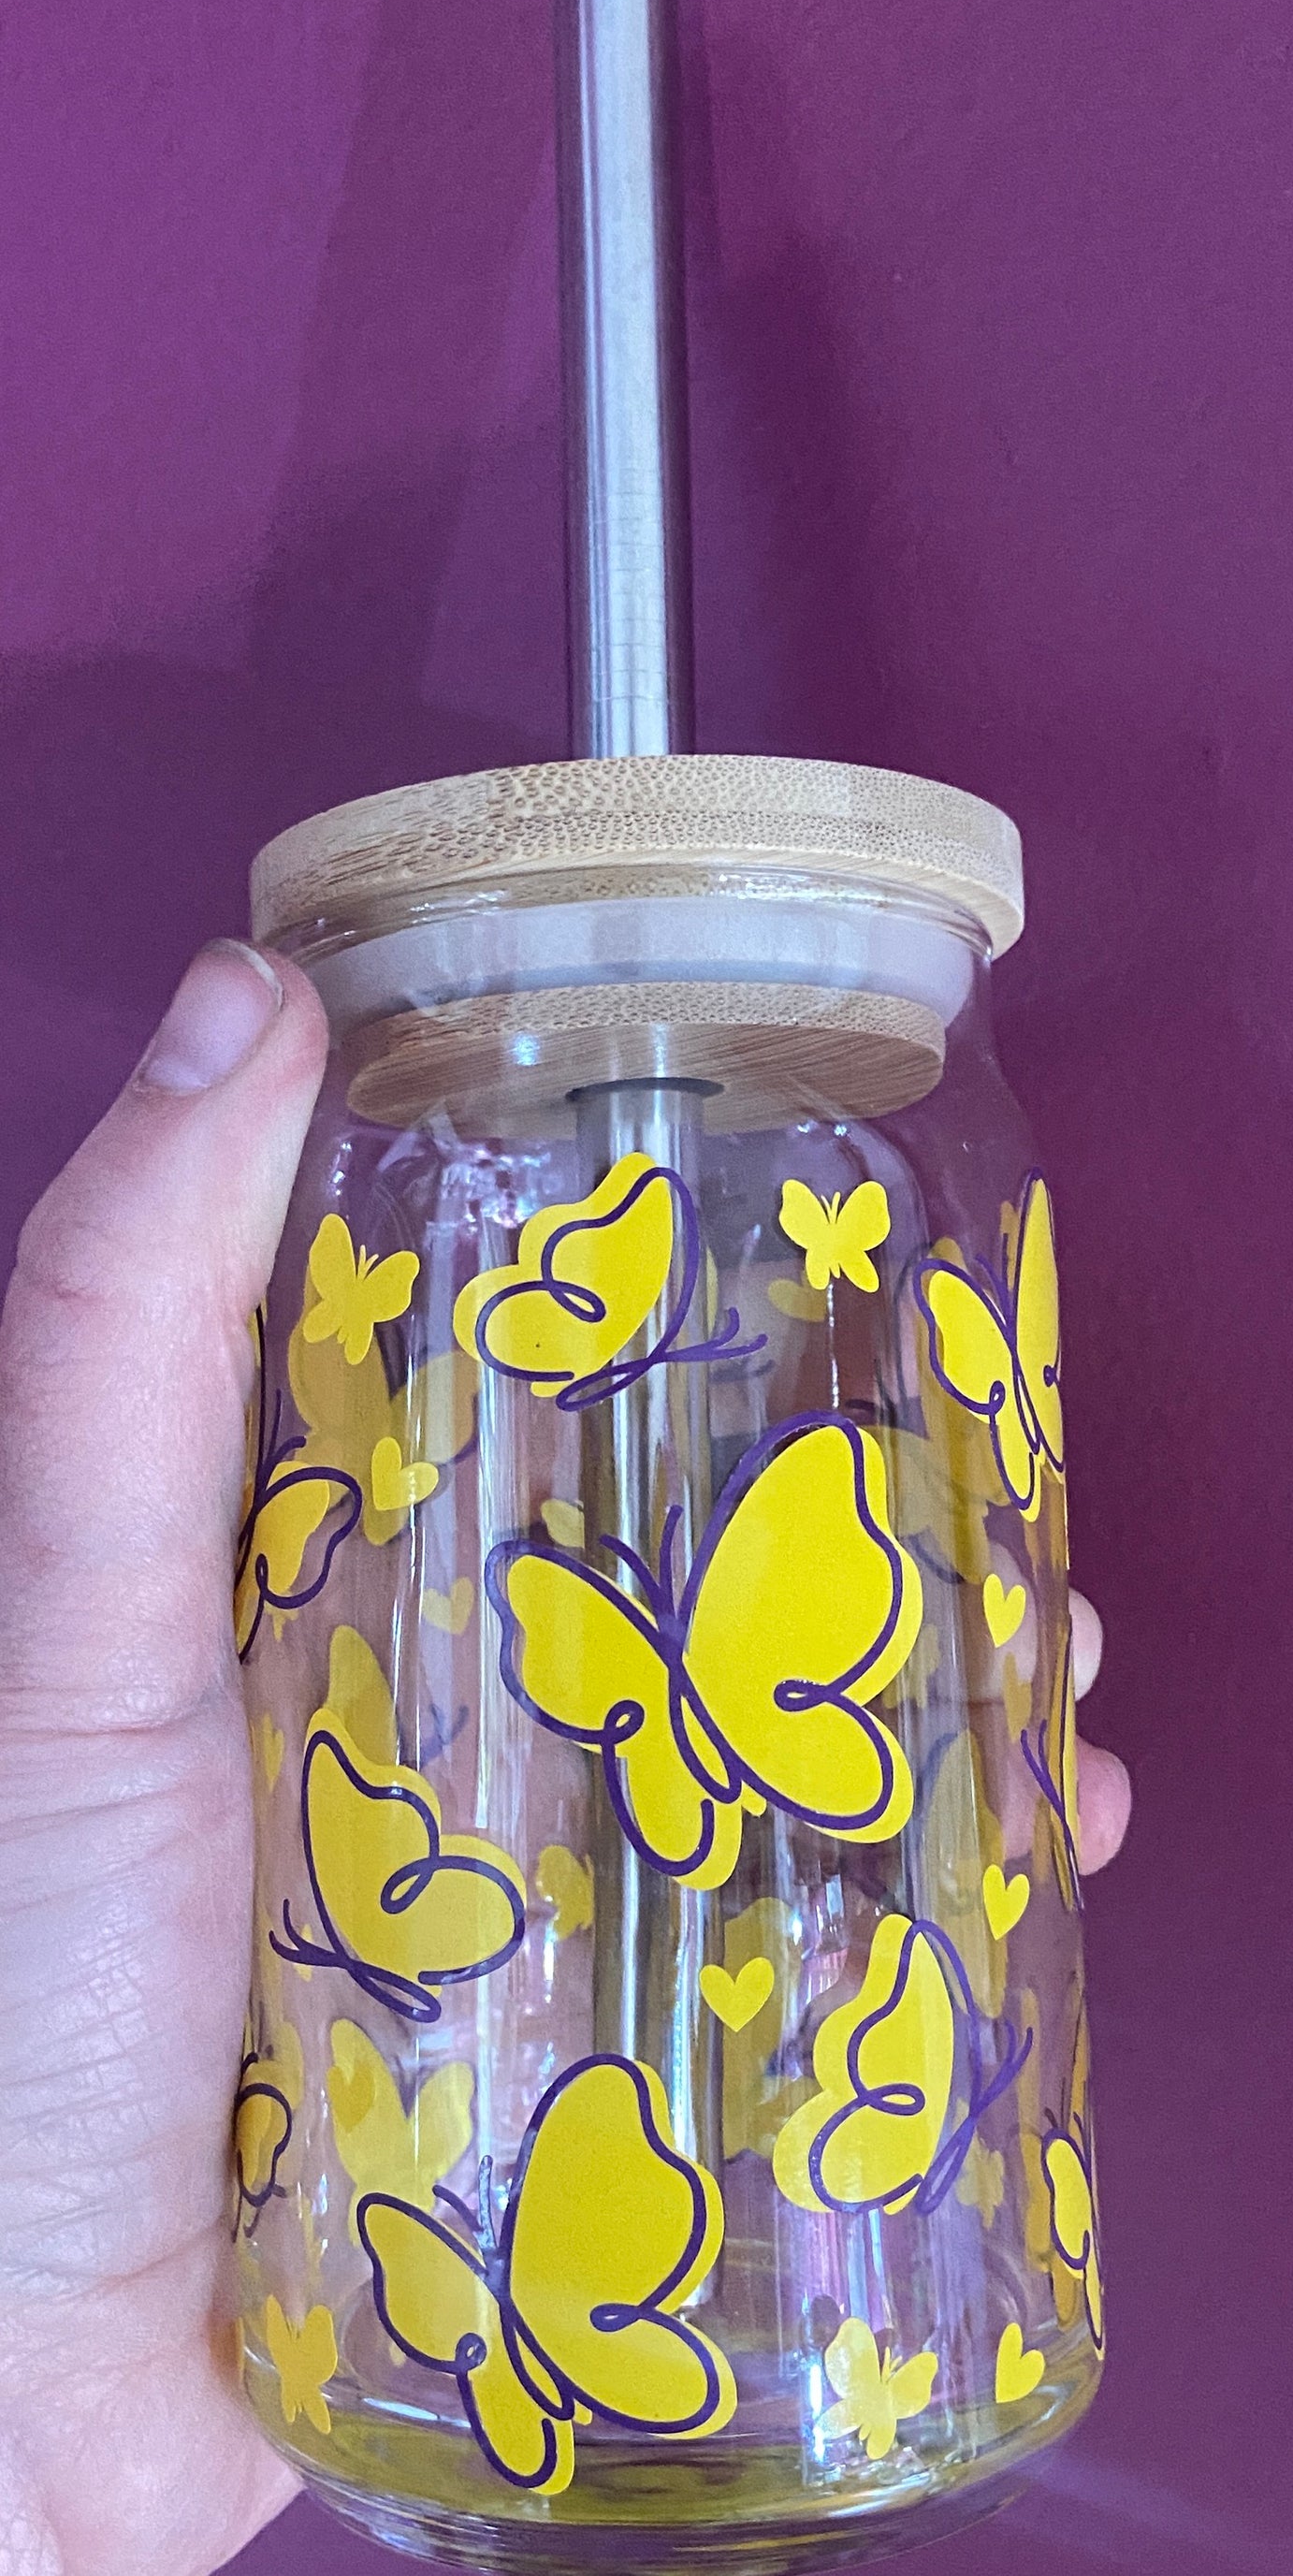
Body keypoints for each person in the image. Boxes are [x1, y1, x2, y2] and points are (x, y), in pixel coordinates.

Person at [0, 941, 1132, 2576]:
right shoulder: (421, 1157)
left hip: (446, 2353)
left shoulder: (861, 1128)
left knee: (974, 1725)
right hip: (398, 2350)